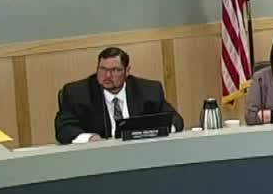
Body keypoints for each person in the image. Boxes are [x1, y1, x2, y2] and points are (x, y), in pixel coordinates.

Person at [54, 46, 183, 144]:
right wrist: (89, 138)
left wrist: (157, 131)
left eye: (115, 70)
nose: (107, 75)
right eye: (102, 69)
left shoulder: (148, 90)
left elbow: (175, 120)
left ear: (127, 71)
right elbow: (64, 128)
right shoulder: (77, 94)